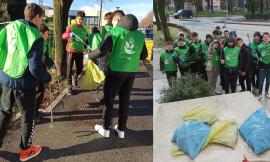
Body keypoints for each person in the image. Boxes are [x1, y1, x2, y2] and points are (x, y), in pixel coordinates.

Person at [0, 3, 51, 161]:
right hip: (24, 83)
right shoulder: (35, 35)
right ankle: (26, 150)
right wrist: (47, 78)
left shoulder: (8, 27)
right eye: (41, 18)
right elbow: (35, 69)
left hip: (6, 77)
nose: (41, 21)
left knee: (4, 113)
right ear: (36, 17)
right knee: (27, 117)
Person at [84, 14, 148, 139]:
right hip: (131, 72)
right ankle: (121, 129)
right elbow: (144, 55)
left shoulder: (115, 32)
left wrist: (87, 56)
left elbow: (102, 51)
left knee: (109, 99)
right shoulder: (140, 35)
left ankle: (106, 128)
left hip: (115, 71)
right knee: (125, 100)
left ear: (118, 21)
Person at [62, 11, 88, 95]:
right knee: (69, 69)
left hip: (80, 51)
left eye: (82, 19)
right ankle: (69, 87)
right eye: (79, 19)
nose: (80, 21)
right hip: (71, 50)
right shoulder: (71, 27)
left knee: (80, 69)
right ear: (76, 18)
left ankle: (75, 78)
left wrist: (86, 43)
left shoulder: (84, 29)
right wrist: (69, 35)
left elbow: (85, 39)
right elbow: (63, 36)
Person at [35, 24, 56, 123]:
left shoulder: (43, 42)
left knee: (39, 92)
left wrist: (51, 64)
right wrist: (51, 65)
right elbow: (44, 58)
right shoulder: (40, 42)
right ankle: (34, 116)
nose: (48, 36)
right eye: (47, 34)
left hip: (39, 70)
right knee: (38, 92)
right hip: (38, 71)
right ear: (41, 34)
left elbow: (46, 56)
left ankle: (35, 112)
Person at [257, 32, 270, 100]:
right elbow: (258, 56)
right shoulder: (259, 46)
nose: (265, 38)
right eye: (264, 37)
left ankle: (266, 92)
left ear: (269, 38)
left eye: (267, 37)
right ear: (262, 38)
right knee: (261, 81)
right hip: (262, 67)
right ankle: (259, 94)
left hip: (269, 67)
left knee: (268, 81)